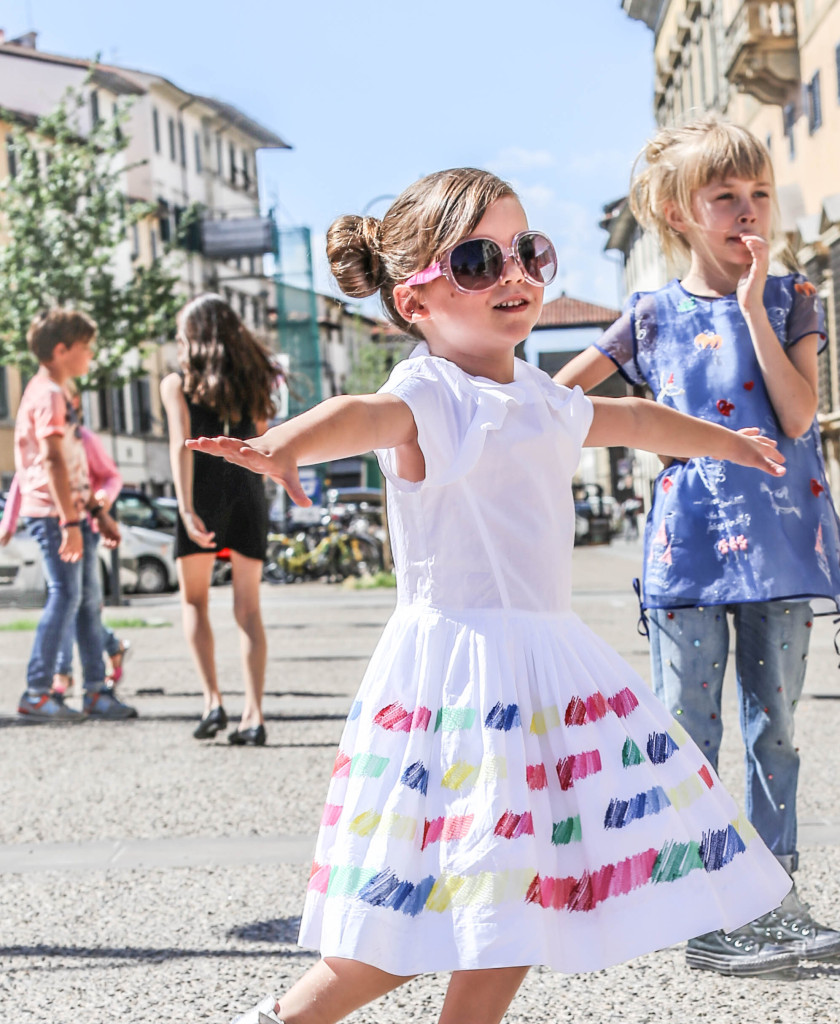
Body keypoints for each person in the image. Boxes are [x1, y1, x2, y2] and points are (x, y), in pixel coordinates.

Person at [191, 168, 797, 1024]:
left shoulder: (549, 399)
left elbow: (636, 421)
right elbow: (361, 413)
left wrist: (724, 441)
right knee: (405, 929)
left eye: (528, 252)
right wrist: (283, 444)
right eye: (477, 260)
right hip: (460, 682)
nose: (514, 273)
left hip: (545, 673)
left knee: (518, 908)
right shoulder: (431, 394)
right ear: (415, 300)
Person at [555, 116, 840, 975]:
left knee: (775, 728)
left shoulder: (794, 299)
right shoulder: (646, 317)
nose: (748, 210)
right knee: (684, 728)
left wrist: (752, 304)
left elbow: (795, 417)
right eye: (726, 196)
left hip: (784, 550)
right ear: (681, 211)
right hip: (687, 551)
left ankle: (772, 896)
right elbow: (557, 400)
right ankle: (704, 898)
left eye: (760, 194)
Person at [160, 294, 276, 745]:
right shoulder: (257, 377)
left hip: (202, 493)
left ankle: (213, 702)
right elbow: (264, 436)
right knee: (248, 609)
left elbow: (180, 445)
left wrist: (186, 508)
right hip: (246, 490)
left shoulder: (178, 383)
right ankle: (255, 715)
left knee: (194, 602)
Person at [14, 309, 137, 722]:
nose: (91, 355)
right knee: (66, 596)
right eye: (85, 348)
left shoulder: (57, 392)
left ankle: (96, 692)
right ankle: (36, 692)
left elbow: (74, 462)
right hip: (54, 514)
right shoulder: (47, 393)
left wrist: (96, 514)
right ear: (61, 350)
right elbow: (52, 461)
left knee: (88, 603)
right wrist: (69, 522)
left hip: (70, 512)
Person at [0, 386, 131, 694]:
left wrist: (102, 506)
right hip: (56, 522)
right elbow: (24, 476)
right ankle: (83, 667)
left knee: (76, 601)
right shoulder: (45, 436)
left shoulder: (85, 440)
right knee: (68, 599)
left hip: (82, 525)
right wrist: (9, 522)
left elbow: (111, 476)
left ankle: (70, 675)